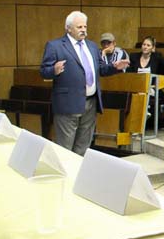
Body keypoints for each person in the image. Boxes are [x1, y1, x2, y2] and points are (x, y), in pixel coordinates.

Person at [39, 11, 129, 155]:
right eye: (79, 27)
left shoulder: (92, 46)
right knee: (65, 149)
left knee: (83, 146)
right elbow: (44, 71)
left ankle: (79, 169)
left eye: (85, 27)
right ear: (68, 28)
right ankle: (66, 170)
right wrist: (54, 70)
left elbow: (101, 69)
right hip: (68, 104)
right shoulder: (55, 46)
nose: (83, 30)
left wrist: (114, 67)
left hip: (90, 103)